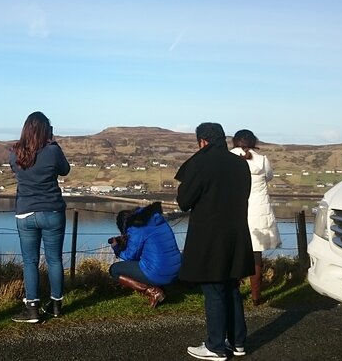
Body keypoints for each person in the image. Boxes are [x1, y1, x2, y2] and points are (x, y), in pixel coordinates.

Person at [175, 122, 254, 361]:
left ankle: (216, 346)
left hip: (210, 235)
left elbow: (184, 201)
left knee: (214, 288)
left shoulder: (200, 163)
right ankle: (237, 342)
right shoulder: (241, 165)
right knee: (231, 287)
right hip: (237, 234)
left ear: (202, 141)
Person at [9, 111, 70, 323]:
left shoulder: (15, 152)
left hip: (25, 212)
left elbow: (16, 172)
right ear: (47, 130)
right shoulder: (53, 151)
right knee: (54, 259)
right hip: (52, 211)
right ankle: (55, 305)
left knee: (30, 262)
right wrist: (53, 142)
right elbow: (66, 170)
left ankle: (32, 308)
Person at [231, 129, 281, 306]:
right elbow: (268, 177)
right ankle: (256, 296)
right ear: (253, 141)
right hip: (258, 212)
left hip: (236, 210)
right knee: (255, 256)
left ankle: (233, 293)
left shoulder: (229, 157)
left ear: (235, 141)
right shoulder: (262, 160)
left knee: (234, 252)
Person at [108, 201, 181, 308]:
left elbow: (130, 257)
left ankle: (152, 291)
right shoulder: (159, 221)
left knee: (114, 270)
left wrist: (116, 247)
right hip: (176, 271)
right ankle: (163, 288)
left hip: (158, 272)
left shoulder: (136, 227)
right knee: (151, 263)